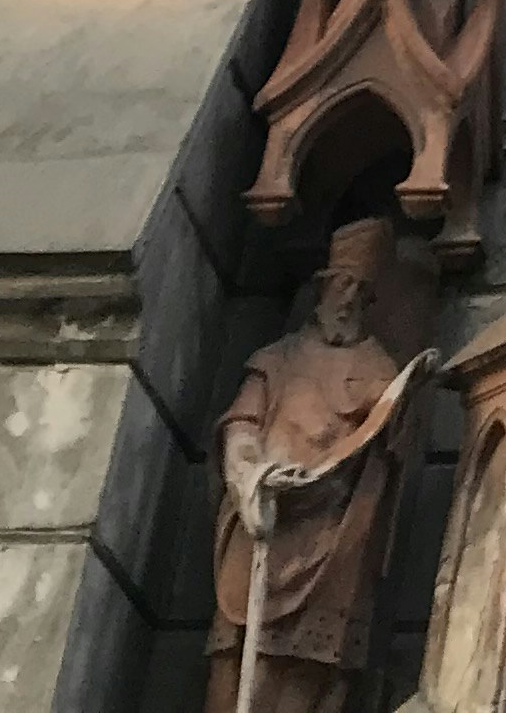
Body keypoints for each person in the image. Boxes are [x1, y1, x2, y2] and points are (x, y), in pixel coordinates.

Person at [206, 222, 436, 712]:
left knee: (312, 676)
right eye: (342, 285)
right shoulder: (278, 358)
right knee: (238, 671)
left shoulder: (379, 369)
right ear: (322, 288)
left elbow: (387, 454)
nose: (349, 300)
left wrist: (402, 406)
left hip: (333, 543)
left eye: (361, 291)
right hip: (268, 521)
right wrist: (249, 474)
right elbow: (241, 426)